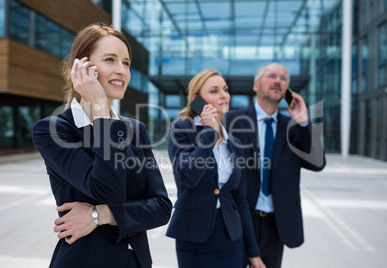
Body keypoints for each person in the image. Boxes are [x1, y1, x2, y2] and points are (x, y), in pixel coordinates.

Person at [32, 22, 172, 268]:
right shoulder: (54, 130)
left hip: (136, 261)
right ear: (82, 67)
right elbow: (108, 190)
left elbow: (161, 207)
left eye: (126, 63)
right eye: (110, 60)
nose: (122, 70)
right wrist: (98, 105)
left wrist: (101, 215)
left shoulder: (135, 130)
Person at [225, 63, 326, 268]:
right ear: (256, 85)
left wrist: (304, 123)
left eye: (283, 78)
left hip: (277, 223)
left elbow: (318, 163)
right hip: (240, 219)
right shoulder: (232, 121)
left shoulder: (293, 127)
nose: (278, 81)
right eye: (272, 76)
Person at [165, 69, 265, 268]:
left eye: (225, 89)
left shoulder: (234, 142)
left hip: (230, 237)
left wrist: (253, 253)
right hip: (194, 237)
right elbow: (188, 176)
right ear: (196, 100)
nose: (224, 95)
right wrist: (209, 133)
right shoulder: (181, 129)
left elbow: (241, 201)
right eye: (214, 90)